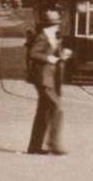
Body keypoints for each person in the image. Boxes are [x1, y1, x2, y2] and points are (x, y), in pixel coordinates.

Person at [27, 10, 70, 156]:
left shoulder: (54, 37)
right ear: (51, 25)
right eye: (56, 24)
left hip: (51, 79)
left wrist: (62, 55)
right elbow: (33, 53)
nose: (58, 27)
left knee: (43, 112)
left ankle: (34, 146)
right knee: (57, 108)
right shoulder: (42, 37)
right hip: (44, 79)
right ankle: (54, 144)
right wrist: (49, 59)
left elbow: (53, 53)